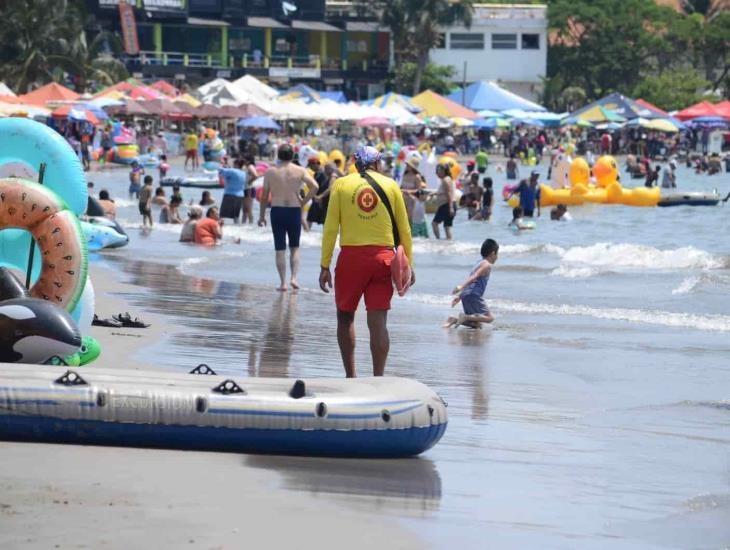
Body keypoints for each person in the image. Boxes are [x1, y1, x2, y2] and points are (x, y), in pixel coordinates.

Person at [319, 146, 414, 378]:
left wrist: (325, 265)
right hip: (384, 258)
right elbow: (404, 229)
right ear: (378, 163)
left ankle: (351, 377)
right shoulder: (391, 185)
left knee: (345, 317)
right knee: (378, 320)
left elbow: (330, 228)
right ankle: (378, 378)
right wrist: (408, 264)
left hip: (351, 259)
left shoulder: (341, 184)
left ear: (355, 163)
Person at [258, 143, 318, 291]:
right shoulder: (300, 170)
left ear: (278, 155)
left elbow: (264, 196)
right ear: (293, 156)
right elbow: (315, 187)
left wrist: (261, 216)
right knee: (295, 247)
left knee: (280, 249)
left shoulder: (270, 172)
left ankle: (283, 283)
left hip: (277, 210)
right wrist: (303, 202)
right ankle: (294, 278)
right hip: (293, 210)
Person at [444, 238, 498, 329]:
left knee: (476, 324)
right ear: (493, 253)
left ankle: (453, 320)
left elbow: (472, 280)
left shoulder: (479, 263)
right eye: (497, 254)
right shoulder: (486, 265)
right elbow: (475, 276)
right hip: (474, 295)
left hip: (467, 294)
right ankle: (465, 316)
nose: (497, 257)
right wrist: (461, 286)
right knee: (489, 318)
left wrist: (460, 296)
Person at [431, 163, 456, 240]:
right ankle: (448, 242)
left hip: (447, 205)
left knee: (434, 223)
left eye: (438, 170)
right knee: (447, 226)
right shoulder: (447, 179)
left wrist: (451, 207)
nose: (436, 173)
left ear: (443, 171)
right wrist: (435, 193)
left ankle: (438, 241)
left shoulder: (445, 180)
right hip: (448, 205)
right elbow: (445, 192)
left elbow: (449, 193)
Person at [219, 159, 248, 223]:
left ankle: (220, 230)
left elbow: (220, 171)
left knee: (222, 216)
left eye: (234, 164)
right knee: (236, 217)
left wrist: (222, 164)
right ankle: (237, 230)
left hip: (230, 194)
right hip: (240, 196)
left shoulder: (232, 171)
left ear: (236, 164)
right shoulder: (243, 173)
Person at [307, 160, 333, 226]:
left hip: (323, 201)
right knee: (310, 219)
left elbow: (329, 188)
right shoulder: (317, 174)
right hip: (319, 200)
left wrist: (320, 197)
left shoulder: (330, 176)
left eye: (311, 166)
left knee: (324, 222)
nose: (310, 168)